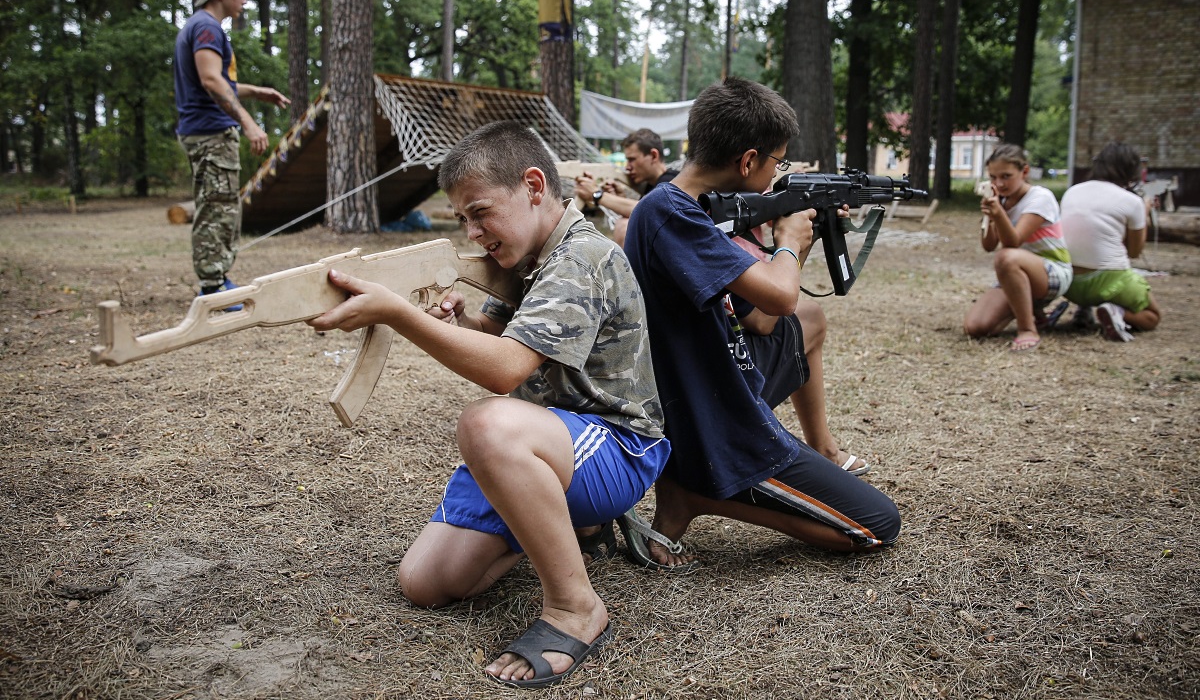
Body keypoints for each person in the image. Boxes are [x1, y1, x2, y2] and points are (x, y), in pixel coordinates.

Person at [307, 121, 669, 688]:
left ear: (532, 185)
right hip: (552, 443)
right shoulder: (527, 256)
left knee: (486, 426)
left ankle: (575, 606)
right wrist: (459, 322)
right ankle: (567, 524)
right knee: (426, 583)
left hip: (616, 444)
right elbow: (500, 339)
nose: (472, 233)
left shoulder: (581, 258)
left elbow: (505, 370)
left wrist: (397, 314)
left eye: (480, 212)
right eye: (462, 219)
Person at [621, 77, 901, 571]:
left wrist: (778, 232)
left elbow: (767, 318)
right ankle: (694, 496)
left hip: (725, 374)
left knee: (808, 323)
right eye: (778, 161)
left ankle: (822, 449)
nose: (779, 172)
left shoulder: (684, 208)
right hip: (716, 414)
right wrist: (790, 240)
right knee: (876, 525)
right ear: (748, 160)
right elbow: (780, 294)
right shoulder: (670, 213)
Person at [174, 0, 290, 301]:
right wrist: (249, 122)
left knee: (220, 204)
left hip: (202, 129)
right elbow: (211, 80)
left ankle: (217, 281)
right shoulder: (208, 28)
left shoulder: (197, 27)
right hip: (210, 132)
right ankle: (213, 288)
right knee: (217, 207)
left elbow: (216, 81)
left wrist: (256, 92)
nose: (244, 1)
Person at [963, 144, 1072, 352]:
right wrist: (990, 216)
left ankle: (1028, 329)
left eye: (1006, 176)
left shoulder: (1041, 198)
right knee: (975, 327)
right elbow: (988, 245)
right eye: (993, 177)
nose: (999, 183)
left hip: (1053, 272)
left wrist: (999, 214)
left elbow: (1013, 242)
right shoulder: (1000, 200)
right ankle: (1038, 314)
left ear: (1025, 172)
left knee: (1006, 258)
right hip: (1015, 275)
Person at [1060, 142, 1162, 341]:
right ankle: (1117, 312)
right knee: (1152, 317)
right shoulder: (1132, 201)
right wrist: (1145, 210)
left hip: (1069, 283)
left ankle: (1084, 309)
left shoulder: (1072, 191)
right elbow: (1134, 251)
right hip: (1111, 281)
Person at [573, 128, 678, 246]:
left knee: (624, 227)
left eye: (632, 159)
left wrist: (597, 194)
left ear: (654, 156)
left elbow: (646, 210)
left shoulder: (671, 183)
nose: (627, 167)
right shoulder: (653, 185)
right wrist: (619, 198)